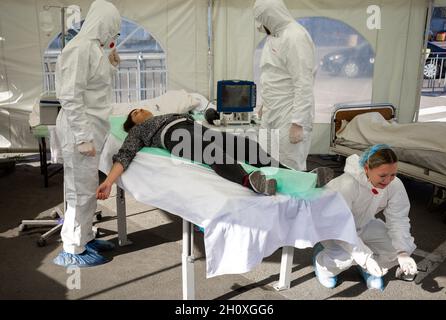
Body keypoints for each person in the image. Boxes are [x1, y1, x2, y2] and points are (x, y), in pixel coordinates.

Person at [53, 0, 122, 267]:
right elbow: (70, 96)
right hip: (79, 130)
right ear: (102, 25)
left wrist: (112, 63)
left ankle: (86, 236)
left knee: (86, 189)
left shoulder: (93, 49)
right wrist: (82, 137)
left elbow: (95, 86)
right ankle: (73, 248)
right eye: (112, 31)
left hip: (90, 128)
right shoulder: (80, 48)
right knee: (79, 192)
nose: (113, 37)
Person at [96, 109, 287, 200]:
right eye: (135, 112)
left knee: (245, 144)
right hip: (172, 137)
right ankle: (249, 182)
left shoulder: (170, 114)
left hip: (193, 127)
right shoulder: (137, 131)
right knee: (211, 152)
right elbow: (125, 155)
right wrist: (108, 182)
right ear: (133, 123)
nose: (141, 110)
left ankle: (288, 171)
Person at [313, 144, 418, 290]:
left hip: (363, 224)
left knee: (395, 248)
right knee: (347, 256)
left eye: (393, 174)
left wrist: (402, 252)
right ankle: (323, 265)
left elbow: (398, 219)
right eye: (382, 175)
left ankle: (368, 270)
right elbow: (340, 226)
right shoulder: (347, 185)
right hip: (332, 230)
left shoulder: (394, 184)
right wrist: (366, 258)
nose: (388, 181)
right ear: (367, 168)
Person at [253, 0, 316, 170]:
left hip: (289, 114)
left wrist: (298, 122)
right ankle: (270, 196)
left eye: (261, 19)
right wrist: (263, 104)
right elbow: (272, 74)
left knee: (288, 165)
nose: (259, 25)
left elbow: (303, 82)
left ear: (269, 16)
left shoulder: (295, 36)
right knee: (265, 160)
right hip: (272, 111)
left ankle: (290, 197)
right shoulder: (274, 36)